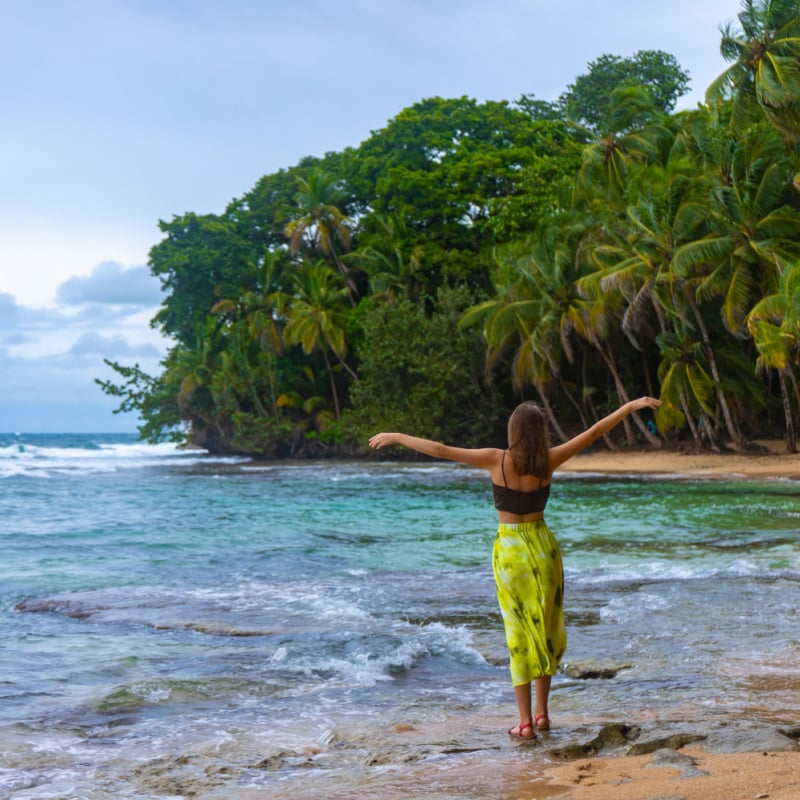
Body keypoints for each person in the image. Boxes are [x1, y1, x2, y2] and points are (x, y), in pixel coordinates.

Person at [369, 396, 661, 740]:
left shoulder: (496, 459)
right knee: (545, 627)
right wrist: (630, 406)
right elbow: (595, 431)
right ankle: (542, 715)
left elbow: (442, 449)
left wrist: (399, 436)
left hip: (510, 553)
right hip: (542, 550)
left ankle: (523, 721)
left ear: (513, 430)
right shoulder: (550, 460)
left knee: (518, 634)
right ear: (540, 432)